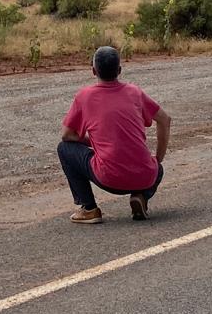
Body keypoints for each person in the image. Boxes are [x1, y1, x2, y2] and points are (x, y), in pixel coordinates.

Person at [58, 46, 171, 224]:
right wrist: (158, 158)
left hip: (109, 178)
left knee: (64, 149)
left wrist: (93, 143)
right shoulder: (134, 92)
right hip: (145, 176)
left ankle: (89, 208)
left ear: (93, 71)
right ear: (119, 70)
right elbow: (165, 119)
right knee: (158, 168)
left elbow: (66, 135)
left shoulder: (84, 96)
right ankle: (141, 196)